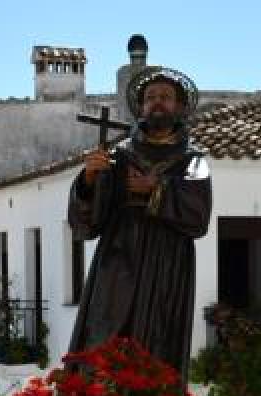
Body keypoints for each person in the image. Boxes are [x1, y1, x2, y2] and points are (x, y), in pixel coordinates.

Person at [69, 65, 211, 377]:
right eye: (150, 97)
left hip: (168, 264)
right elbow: (87, 225)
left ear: (180, 106)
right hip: (119, 262)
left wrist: (156, 189)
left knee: (158, 346)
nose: (157, 102)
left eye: (166, 96)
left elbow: (199, 216)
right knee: (105, 340)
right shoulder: (120, 157)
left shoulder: (193, 161)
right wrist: (89, 178)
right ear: (141, 107)